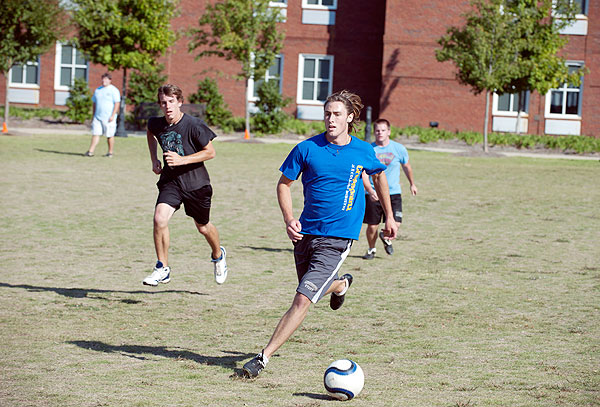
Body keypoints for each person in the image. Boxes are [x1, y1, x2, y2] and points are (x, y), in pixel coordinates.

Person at [242, 90, 398, 378]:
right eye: (327, 113)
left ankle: (262, 358)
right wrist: (289, 218)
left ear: (350, 117)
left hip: (339, 237)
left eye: (337, 114)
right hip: (305, 234)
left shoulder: (363, 150)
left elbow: (379, 175)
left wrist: (389, 216)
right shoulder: (306, 149)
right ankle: (340, 286)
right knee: (310, 288)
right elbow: (283, 185)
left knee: (303, 298)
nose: (331, 119)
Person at [142, 84, 228, 286]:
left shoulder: (194, 125)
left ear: (180, 102)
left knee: (203, 227)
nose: (168, 107)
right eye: (164, 103)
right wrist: (154, 158)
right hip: (171, 182)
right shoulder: (156, 123)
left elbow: (210, 152)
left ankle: (218, 254)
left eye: (172, 102)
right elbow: (150, 132)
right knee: (159, 219)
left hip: (196, 185)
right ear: (160, 105)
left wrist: (182, 160)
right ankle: (162, 267)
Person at [361, 119, 417, 260]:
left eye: (383, 130)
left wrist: (412, 183)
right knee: (372, 226)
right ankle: (371, 249)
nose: (380, 133)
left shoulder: (398, 149)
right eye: (377, 130)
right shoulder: (369, 150)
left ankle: (385, 237)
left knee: (395, 223)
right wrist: (370, 190)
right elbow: (363, 174)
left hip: (393, 192)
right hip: (374, 194)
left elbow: (407, 167)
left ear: (389, 132)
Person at [84, 73, 121, 157]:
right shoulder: (98, 90)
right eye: (103, 79)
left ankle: (110, 152)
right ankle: (90, 151)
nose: (104, 81)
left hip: (109, 118)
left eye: (106, 79)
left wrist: (113, 115)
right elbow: (94, 103)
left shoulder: (114, 90)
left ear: (110, 80)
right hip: (98, 117)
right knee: (95, 134)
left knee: (109, 135)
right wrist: (93, 115)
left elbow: (117, 103)